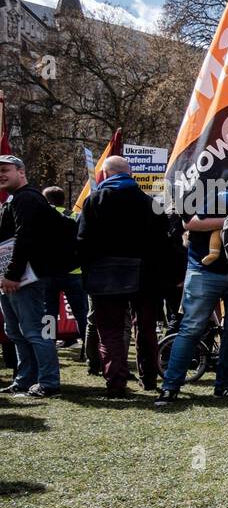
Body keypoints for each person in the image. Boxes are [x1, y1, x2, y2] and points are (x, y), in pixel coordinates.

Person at [154, 176, 228, 407]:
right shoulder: (200, 189)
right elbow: (190, 223)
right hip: (204, 270)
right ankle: (171, 386)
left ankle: (225, 385)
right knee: (191, 328)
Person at [76, 156, 169, 397]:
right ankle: (148, 378)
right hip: (146, 275)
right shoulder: (150, 202)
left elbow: (83, 241)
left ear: (104, 175)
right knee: (146, 328)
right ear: (130, 175)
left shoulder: (94, 200)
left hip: (105, 274)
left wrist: (86, 270)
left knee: (110, 331)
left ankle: (115, 383)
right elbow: (162, 244)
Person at [0, 154, 64, 397]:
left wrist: (12, 274)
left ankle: (48, 383)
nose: (1, 175)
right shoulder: (14, 199)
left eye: (6, 170)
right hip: (13, 277)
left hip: (25, 278)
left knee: (34, 330)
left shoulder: (26, 198)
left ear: (21, 172)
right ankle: (25, 379)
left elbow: (24, 239)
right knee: (15, 331)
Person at [42, 187, 87, 349]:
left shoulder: (42, 218)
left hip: (48, 273)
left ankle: (48, 345)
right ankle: (88, 345)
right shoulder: (76, 216)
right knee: (81, 313)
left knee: (49, 313)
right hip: (74, 272)